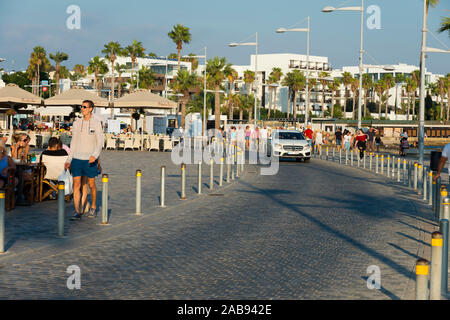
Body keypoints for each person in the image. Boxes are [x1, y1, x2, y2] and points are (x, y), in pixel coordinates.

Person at [65, 100, 104, 220]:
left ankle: (93, 206)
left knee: (91, 185)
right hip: (77, 158)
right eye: (81, 107)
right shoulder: (77, 123)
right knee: (76, 184)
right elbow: (74, 141)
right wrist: (69, 159)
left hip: (90, 159)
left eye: (84, 107)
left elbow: (100, 141)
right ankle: (78, 211)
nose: (82, 109)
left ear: (91, 109)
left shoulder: (96, 123)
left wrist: (95, 155)